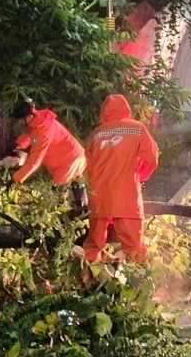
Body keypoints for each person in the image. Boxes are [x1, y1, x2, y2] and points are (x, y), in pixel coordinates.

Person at [83, 93, 159, 264]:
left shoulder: (95, 134)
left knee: (93, 246)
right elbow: (152, 159)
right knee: (134, 247)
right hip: (126, 196)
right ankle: (135, 276)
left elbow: (87, 166)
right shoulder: (137, 128)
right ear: (126, 110)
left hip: (98, 197)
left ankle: (87, 274)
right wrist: (139, 177)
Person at [10, 98, 88, 211]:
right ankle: (81, 214)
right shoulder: (38, 121)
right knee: (76, 189)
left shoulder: (44, 131)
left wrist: (16, 179)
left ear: (28, 116)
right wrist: (19, 145)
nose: (20, 122)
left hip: (69, 160)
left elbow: (34, 162)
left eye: (21, 119)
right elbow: (30, 134)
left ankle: (73, 216)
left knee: (58, 195)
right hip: (71, 158)